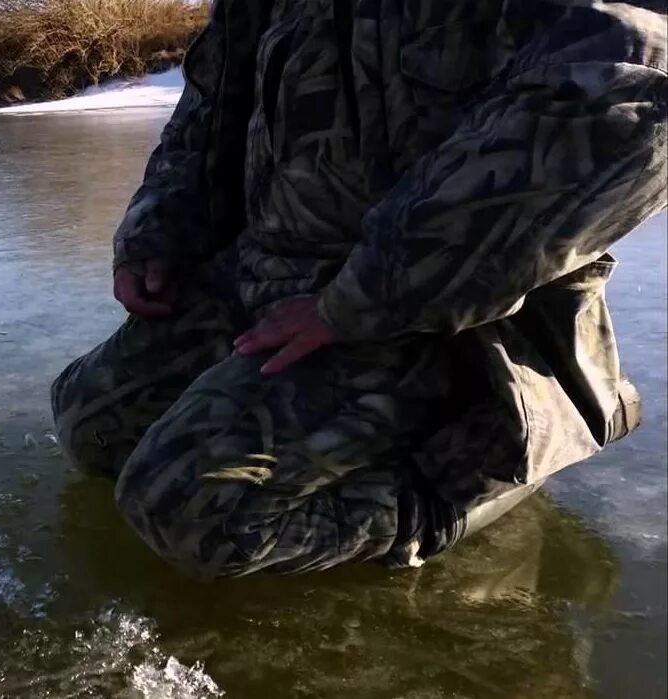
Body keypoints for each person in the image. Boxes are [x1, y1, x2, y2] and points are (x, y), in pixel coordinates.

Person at [50, 0, 666, 577]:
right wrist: (157, 232)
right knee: (90, 422)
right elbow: (213, 103)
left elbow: (631, 82)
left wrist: (364, 298)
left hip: (443, 315)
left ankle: (467, 478)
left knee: (190, 512)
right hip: (265, 277)